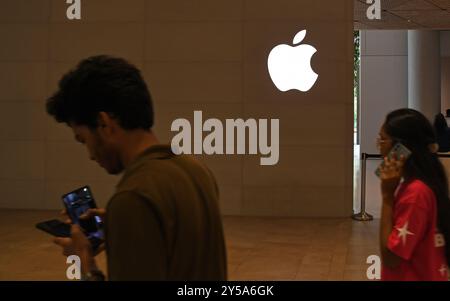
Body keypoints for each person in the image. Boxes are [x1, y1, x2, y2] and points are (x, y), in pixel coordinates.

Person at [46, 55, 227, 281]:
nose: (90, 155)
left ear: (104, 124)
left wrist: (85, 261)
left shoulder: (133, 197)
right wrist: (122, 227)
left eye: (83, 140)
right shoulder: (196, 170)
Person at [377, 108, 450, 281]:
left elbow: (391, 258)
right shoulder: (414, 186)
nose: (378, 144)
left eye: (382, 139)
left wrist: (387, 198)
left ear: (401, 148)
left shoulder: (415, 193)